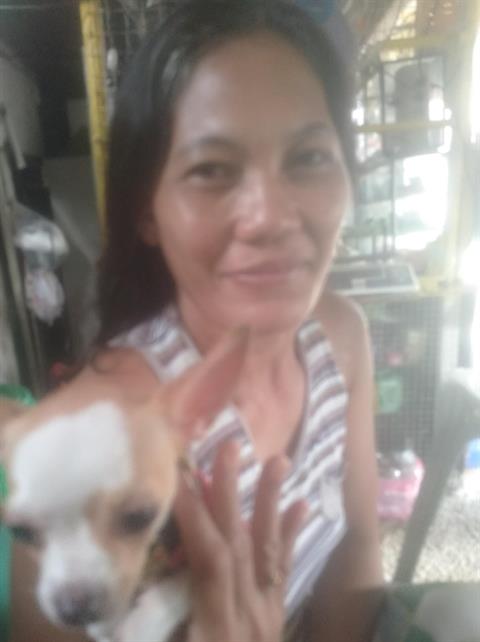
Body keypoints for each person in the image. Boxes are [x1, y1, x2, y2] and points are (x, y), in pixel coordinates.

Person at [9, 1, 384, 641]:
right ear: (146, 212)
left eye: (309, 157)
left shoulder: (341, 339)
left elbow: (357, 553)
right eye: (211, 170)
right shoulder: (88, 445)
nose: (269, 217)